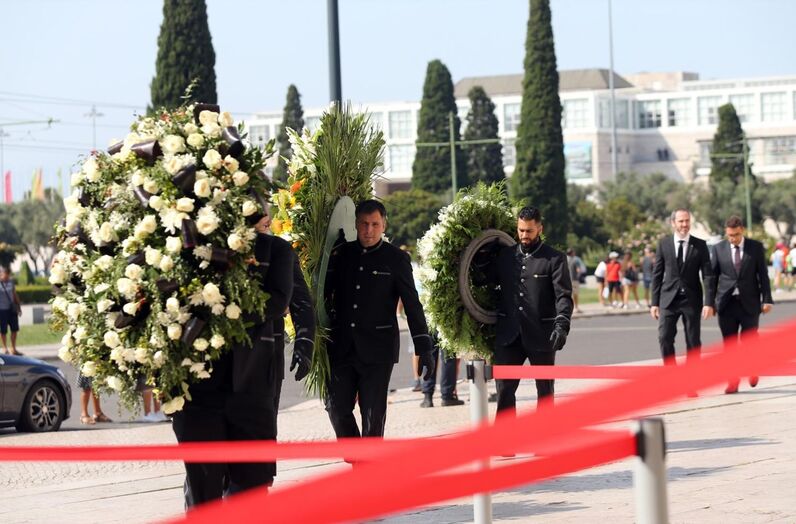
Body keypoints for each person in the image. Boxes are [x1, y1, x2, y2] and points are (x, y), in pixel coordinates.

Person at [171, 212, 296, 507]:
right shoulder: (191, 244)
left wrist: (218, 309)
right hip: (199, 389)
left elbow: (277, 302)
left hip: (252, 387)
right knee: (203, 488)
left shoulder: (276, 250)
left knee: (252, 486)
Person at [325, 199, 435, 439]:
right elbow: (324, 295)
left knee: (373, 416)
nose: (369, 230)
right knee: (335, 407)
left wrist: (424, 347)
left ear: (384, 225)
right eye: (364, 224)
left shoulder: (397, 259)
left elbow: (412, 304)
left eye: (375, 224)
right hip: (342, 346)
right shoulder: (341, 254)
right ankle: (356, 454)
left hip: (378, 350)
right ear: (356, 224)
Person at [491, 206, 573, 413]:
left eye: (529, 231)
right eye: (521, 230)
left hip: (541, 334)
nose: (524, 235)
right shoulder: (505, 256)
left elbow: (563, 296)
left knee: (545, 391)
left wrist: (562, 324)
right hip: (508, 335)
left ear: (540, 229)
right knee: (504, 391)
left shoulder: (555, 258)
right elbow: (485, 282)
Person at [710, 216, 773, 394]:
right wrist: (709, 303)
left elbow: (763, 275)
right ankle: (733, 381)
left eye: (736, 235)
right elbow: (712, 278)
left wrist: (767, 299)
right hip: (726, 304)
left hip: (749, 303)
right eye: (730, 235)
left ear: (742, 230)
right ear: (726, 232)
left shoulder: (755, 247)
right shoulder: (718, 248)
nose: (733, 239)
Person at [650, 209, 715, 376]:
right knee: (664, 337)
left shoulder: (700, 245)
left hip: (691, 300)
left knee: (693, 340)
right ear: (673, 223)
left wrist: (709, 303)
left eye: (687, 221)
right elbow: (657, 274)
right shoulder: (664, 244)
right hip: (668, 299)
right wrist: (654, 303)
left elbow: (707, 275)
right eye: (681, 221)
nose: (684, 224)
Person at [419, 332, 463, 408]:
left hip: (428, 326)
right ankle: (447, 395)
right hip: (447, 327)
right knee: (448, 357)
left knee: (430, 355)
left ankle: (427, 397)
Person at [0, 267, 23, 356]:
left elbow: (14, 294)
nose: (6, 276)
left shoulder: (11, 282)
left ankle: (13, 348)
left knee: (14, 329)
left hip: (12, 309)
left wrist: (18, 307)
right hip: (2, 310)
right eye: (5, 274)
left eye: (8, 275)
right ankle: (5, 348)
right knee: (3, 330)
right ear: (1, 274)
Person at [566, 249, 585, 314]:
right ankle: (576, 307)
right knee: (575, 294)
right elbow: (578, 270)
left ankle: (570, 308)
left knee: (569, 295)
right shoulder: (575, 260)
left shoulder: (565, 260)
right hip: (574, 279)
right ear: (572, 253)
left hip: (567, 279)